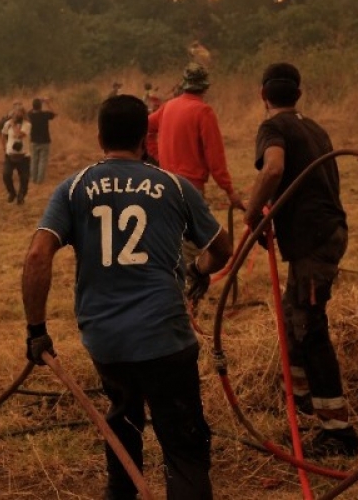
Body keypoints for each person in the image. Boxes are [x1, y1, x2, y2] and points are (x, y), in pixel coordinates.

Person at [22, 95, 233, 500]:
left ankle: (122, 491)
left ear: (100, 137)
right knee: (184, 445)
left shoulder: (74, 187)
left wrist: (36, 330)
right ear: (145, 140)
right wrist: (198, 271)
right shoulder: (174, 186)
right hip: (166, 337)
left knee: (123, 424)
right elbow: (222, 248)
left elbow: (36, 255)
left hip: (107, 342)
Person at [243, 62, 358, 458]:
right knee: (295, 319)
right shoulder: (315, 128)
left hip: (314, 242)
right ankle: (303, 400)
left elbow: (273, 168)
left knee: (309, 327)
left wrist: (252, 212)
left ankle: (339, 432)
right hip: (325, 234)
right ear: (299, 93)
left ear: (263, 95)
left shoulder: (273, 128)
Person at [148, 62, 244, 211]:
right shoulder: (204, 112)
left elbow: (144, 129)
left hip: (166, 185)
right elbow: (215, 158)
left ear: (184, 85)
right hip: (190, 188)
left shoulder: (168, 106)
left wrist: (158, 156)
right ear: (205, 87)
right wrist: (229, 190)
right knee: (197, 232)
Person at [1, 106, 31, 205]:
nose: (17, 115)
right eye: (15, 113)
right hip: (10, 155)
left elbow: (19, 135)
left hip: (24, 155)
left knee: (24, 178)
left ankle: (21, 196)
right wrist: (4, 147)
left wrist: (13, 125)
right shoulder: (7, 124)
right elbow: (3, 134)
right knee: (6, 174)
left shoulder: (27, 125)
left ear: (23, 114)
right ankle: (12, 193)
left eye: (19, 113)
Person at [27, 98, 56, 184]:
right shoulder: (45, 114)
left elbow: (28, 112)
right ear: (41, 106)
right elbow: (54, 114)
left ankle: (33, 179)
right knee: (43, 161)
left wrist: (36, 104)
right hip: (45, 140)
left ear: (33, 106)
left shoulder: (30, 115)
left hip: (34, 140)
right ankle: (40, 180)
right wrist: (47, 103)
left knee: (34, 160)